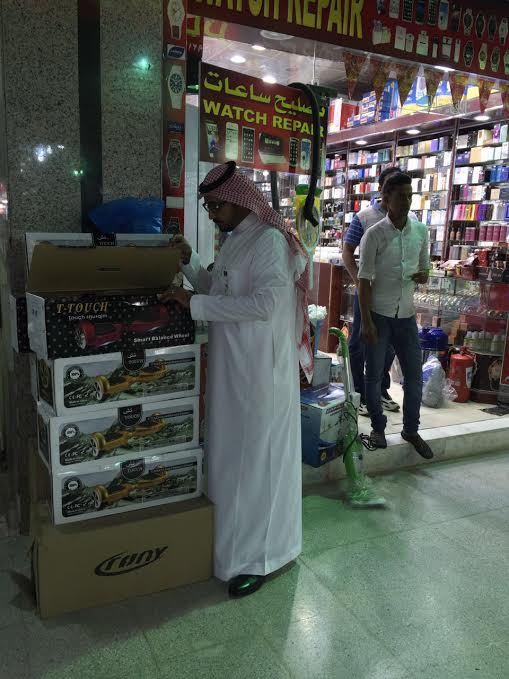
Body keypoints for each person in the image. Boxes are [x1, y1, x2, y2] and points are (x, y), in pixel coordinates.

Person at [160, 161, 313, 598]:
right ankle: (230, 552)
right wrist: (190, 266)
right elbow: (220, 290)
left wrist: (194, 305)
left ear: (238, 201)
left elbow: (264, 305)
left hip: (260, 376)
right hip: (233, 371)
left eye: (216, 206)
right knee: (232, 462)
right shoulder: (235, 240)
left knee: (257, 467)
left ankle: (262, 558)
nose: (212, 214)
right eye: (208, 207)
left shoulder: (269, 242)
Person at [358, 172, 433, 459]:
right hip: (379, 314)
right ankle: (378, 428)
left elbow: (425, 270)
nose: (407, 201)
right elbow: (364, 281)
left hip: (407, 316)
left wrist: (422, 275)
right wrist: (366, 322)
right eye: (401, 196)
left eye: (410, 196)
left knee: (414, 377)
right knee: (374, 375)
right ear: (386, 198)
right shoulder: (374, 234)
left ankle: (411, 430)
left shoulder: (420, 232)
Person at [342, 167, 412, 416]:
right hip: (367, 293)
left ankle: (381, 391)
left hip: (394, 296)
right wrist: (360, 280)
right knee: (360, 342)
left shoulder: (408, 218)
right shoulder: (364, 217)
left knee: (389, 344)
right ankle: (359, 393)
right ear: (383, 189)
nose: (404, 199)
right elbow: (347, 252)